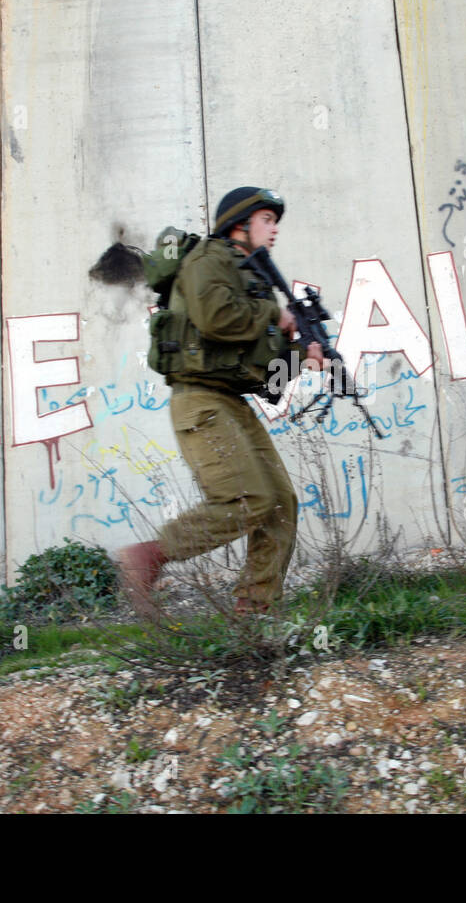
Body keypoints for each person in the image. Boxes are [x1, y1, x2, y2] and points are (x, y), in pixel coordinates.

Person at [117, 187, 324, 620]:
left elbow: (269, 383)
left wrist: (302, 358)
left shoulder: (251, 282)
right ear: (239, 224)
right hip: (200, 401)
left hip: (230, 402)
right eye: (267, 219)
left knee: (280, 504)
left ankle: (256, 613)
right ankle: (149, 556)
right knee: (243, 499)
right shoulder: (209, 260)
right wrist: (274, 316)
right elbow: (215, 318)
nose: (274, 229)